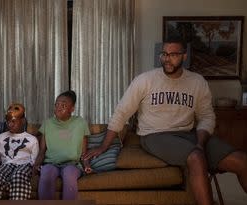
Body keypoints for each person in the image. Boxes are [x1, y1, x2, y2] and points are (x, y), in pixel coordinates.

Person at [83, 39, 247, 205]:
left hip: (188, 135)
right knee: (196, 157)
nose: (167, 59)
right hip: (154, 135)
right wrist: (104, 145)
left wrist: (200, 141)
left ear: (184, 56)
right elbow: (122, 112)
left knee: (241, 161)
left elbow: (206, 116)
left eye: (173, 54)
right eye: (164, 54)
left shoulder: (197, 82)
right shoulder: (145, 80)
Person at [33, 90, 92, 200]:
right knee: (46, 172)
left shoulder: (80, 123)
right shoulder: (47, 123)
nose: (58, 108)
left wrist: (87, 165)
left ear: (72, 109)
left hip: (72, 164)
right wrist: (36, 166)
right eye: (57, 104)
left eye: (63, 105)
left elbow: (83, 152)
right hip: (51, 163)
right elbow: (42, 151)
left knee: (69, 174)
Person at [0, 103, 39, 200]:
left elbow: (34, 162)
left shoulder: (32, 139)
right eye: (8, 122)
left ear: (23, 121)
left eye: (13, 121)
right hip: (6, 165)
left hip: (25, 165)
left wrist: (35, 173)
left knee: (18, 176)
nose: (10, 124)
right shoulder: (1, 137)